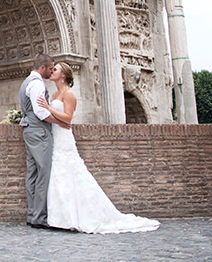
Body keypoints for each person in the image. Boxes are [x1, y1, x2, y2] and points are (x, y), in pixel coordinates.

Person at [36, 62, 160, 234]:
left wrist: (48, 108)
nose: (52, 71)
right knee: (59, 175)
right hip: (55, 136)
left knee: (70, 173)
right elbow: (58, 119)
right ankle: (61, 218)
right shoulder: (56, 93)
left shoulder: (69, 93)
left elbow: (68, 118)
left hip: (64, 138)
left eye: (55, 69)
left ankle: (76, 217)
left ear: (63, 75)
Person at [18, 53, 65, 229]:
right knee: (44, 172)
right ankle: (39, 216)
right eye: (51, 68)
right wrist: (60, 121)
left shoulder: (26, 82)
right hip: (38, 131)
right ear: (43, 67)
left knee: (32, 173)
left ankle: (32, 214)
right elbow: (41, 112)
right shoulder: (37, 84)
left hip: (29, 130)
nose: (52, 71)